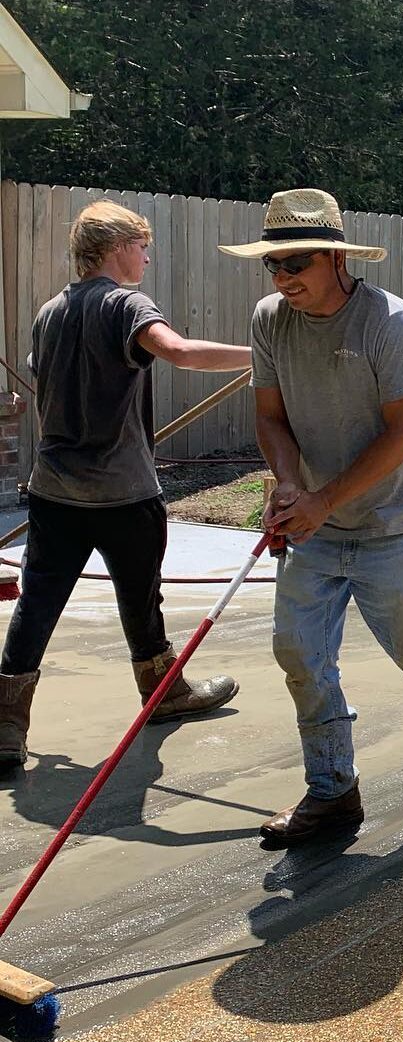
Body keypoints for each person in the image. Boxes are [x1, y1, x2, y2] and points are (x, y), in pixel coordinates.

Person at [219, 189, 403, 846]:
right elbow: (270, 417)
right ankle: (332, 792)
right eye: (273, 264)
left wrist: (323, 499)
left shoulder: (393, 325)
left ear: (337, 259)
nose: (283, 278)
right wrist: (291, 487)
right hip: (314, 530)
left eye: (297, 263)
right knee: (299, 651)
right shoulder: (270, 321)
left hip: (392, 524)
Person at [0, 200, 251, 772]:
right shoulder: (126, 304)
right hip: (123, 493)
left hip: (54, 491)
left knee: (38, 601)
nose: (147, 258)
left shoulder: (51, 310)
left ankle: (7, 724)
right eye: (142, 247)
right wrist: (266, 354)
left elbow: (45, 374)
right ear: (116, 249)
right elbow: (179, 351)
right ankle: (164, 695)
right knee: (140, 597)